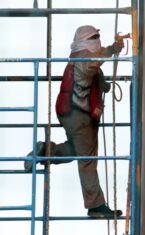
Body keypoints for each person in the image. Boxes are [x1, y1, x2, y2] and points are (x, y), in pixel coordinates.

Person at [24, 25, 124, 218]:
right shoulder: (84, 58)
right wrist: (113, 49)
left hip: (71, 114)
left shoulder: (80, 58)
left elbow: (97, 78)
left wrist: (103, 84)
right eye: (94, 37)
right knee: (88, 159)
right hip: (79, 116)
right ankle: (95, 205)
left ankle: (46, 151)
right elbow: (95, 62)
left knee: (75, 150)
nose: (97, 41)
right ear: (86, 41)